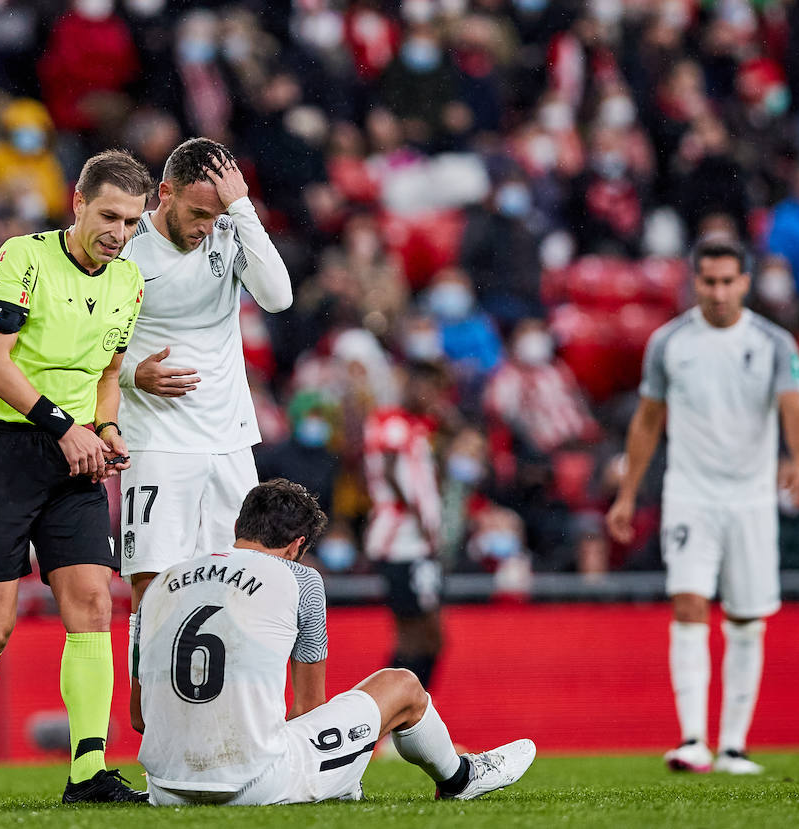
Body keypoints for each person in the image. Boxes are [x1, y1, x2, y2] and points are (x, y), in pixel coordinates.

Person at [0, 149, 152, 805]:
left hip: (75, 457)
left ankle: (88, 771)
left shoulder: (128, 281)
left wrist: (106, 428)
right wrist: (65, 426)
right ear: (78, 203)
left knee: (92, 603)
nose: (119, 233)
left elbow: (108, 374)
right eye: (109, 216)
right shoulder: (22, 258)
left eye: (132, 222)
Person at [131, 478, 535, 806]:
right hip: (255, 784)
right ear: (297, 545)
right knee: (403, 685)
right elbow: (309, 707)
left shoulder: (162, 582)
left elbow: (140, 718)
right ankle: (461, 778)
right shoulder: (300, 578)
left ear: (238, 527)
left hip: (165, 788)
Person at [607, 236, 799, 776]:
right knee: (689, 605)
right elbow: (647, 420)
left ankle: (734, 746)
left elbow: (793, 408)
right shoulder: (669, 342)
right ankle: (694, 740)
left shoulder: (773, 342)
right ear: (694, 282)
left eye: (727, 281)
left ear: (744, 282)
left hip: (751, 498)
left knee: (746, 617)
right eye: (709, 282)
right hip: (690, 494)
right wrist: (627, 493)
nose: (719, 292)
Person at [116, 137, 292, 614]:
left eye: (217, 214)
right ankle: (147, 669)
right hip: (157, 441)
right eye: (198, 213)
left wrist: (242, 209)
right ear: (165, 193)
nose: (206, 227)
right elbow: (84, 340)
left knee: (238, 586)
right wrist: (131, 375)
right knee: (153, 589)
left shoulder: (228, 234)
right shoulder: (126, 247)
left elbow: (278, 297)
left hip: (230, 440)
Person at [362, 361, 447, 690]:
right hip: (401, 542)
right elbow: (388, 469)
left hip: (416, 543)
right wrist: (417, 516)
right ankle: (397, 705)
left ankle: (407, 705)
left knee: (422, 633)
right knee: (418, 633)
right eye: (427, 387)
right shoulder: (394, 422)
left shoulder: (417, 426)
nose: (432, 396)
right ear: (410, 386)